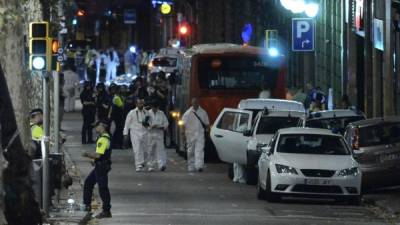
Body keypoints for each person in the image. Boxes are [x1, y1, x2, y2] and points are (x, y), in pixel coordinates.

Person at [82, 121, 112, 219]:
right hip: (100, 165)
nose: (95, 128)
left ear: (102, 126)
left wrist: (87, 154)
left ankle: (106, 210)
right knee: (88, 183)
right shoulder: (104, 137)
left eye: (96, 126)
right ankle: (86, 206)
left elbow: (98, 155)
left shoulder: (103, 139)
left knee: (103, 188)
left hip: (101, 166)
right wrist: (94, 159)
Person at [181, 98, 210, 172]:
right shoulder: (187, 113)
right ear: (192, 103)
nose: (195, 104)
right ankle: (191, 165)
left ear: (198, 103)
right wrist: (183, 134)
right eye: (194, 103)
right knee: (190, 151)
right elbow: (183, 124)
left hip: (200, 134)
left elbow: (207, 124)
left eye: (196, 102)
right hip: (190, 135)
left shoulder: (203, 112)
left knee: (199, 150)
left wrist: (207, 132)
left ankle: (199, 165)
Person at [123, 99, 149, 172]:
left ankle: (142, 161)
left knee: (145, 149)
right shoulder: (132, 112)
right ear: (136, 104)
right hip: (135, 132)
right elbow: (127, 124)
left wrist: (147, 125)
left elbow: (149, 122)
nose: (141, 105)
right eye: (139, 104)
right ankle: (138, 165)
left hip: (145, 132)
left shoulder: (146, 112)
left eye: (142, 103)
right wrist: (125, 134)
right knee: (137, 149)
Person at [147, 101, 169, 171]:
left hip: (159, 134)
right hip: (150, 134)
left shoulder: (161, 113)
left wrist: (161, 127)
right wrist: (150, 127)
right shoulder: (148, 113)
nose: (155, 109)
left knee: (160, 150)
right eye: (153, 108)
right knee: (151, 150)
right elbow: (144, 123)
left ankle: (161, 165)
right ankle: (150, 165)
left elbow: (166, 124)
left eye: (156, 108)